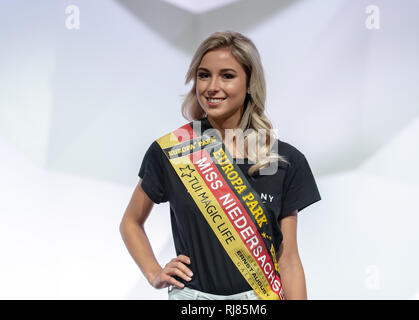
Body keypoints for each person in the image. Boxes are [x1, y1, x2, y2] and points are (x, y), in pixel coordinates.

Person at [119, 31, 321, 300]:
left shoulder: (283, 160)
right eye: (204, 75)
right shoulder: (173, 151)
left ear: (250, 83)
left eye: (227, 76)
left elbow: (289, 261)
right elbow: (130, 222)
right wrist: (154, 273)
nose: (212, 86)